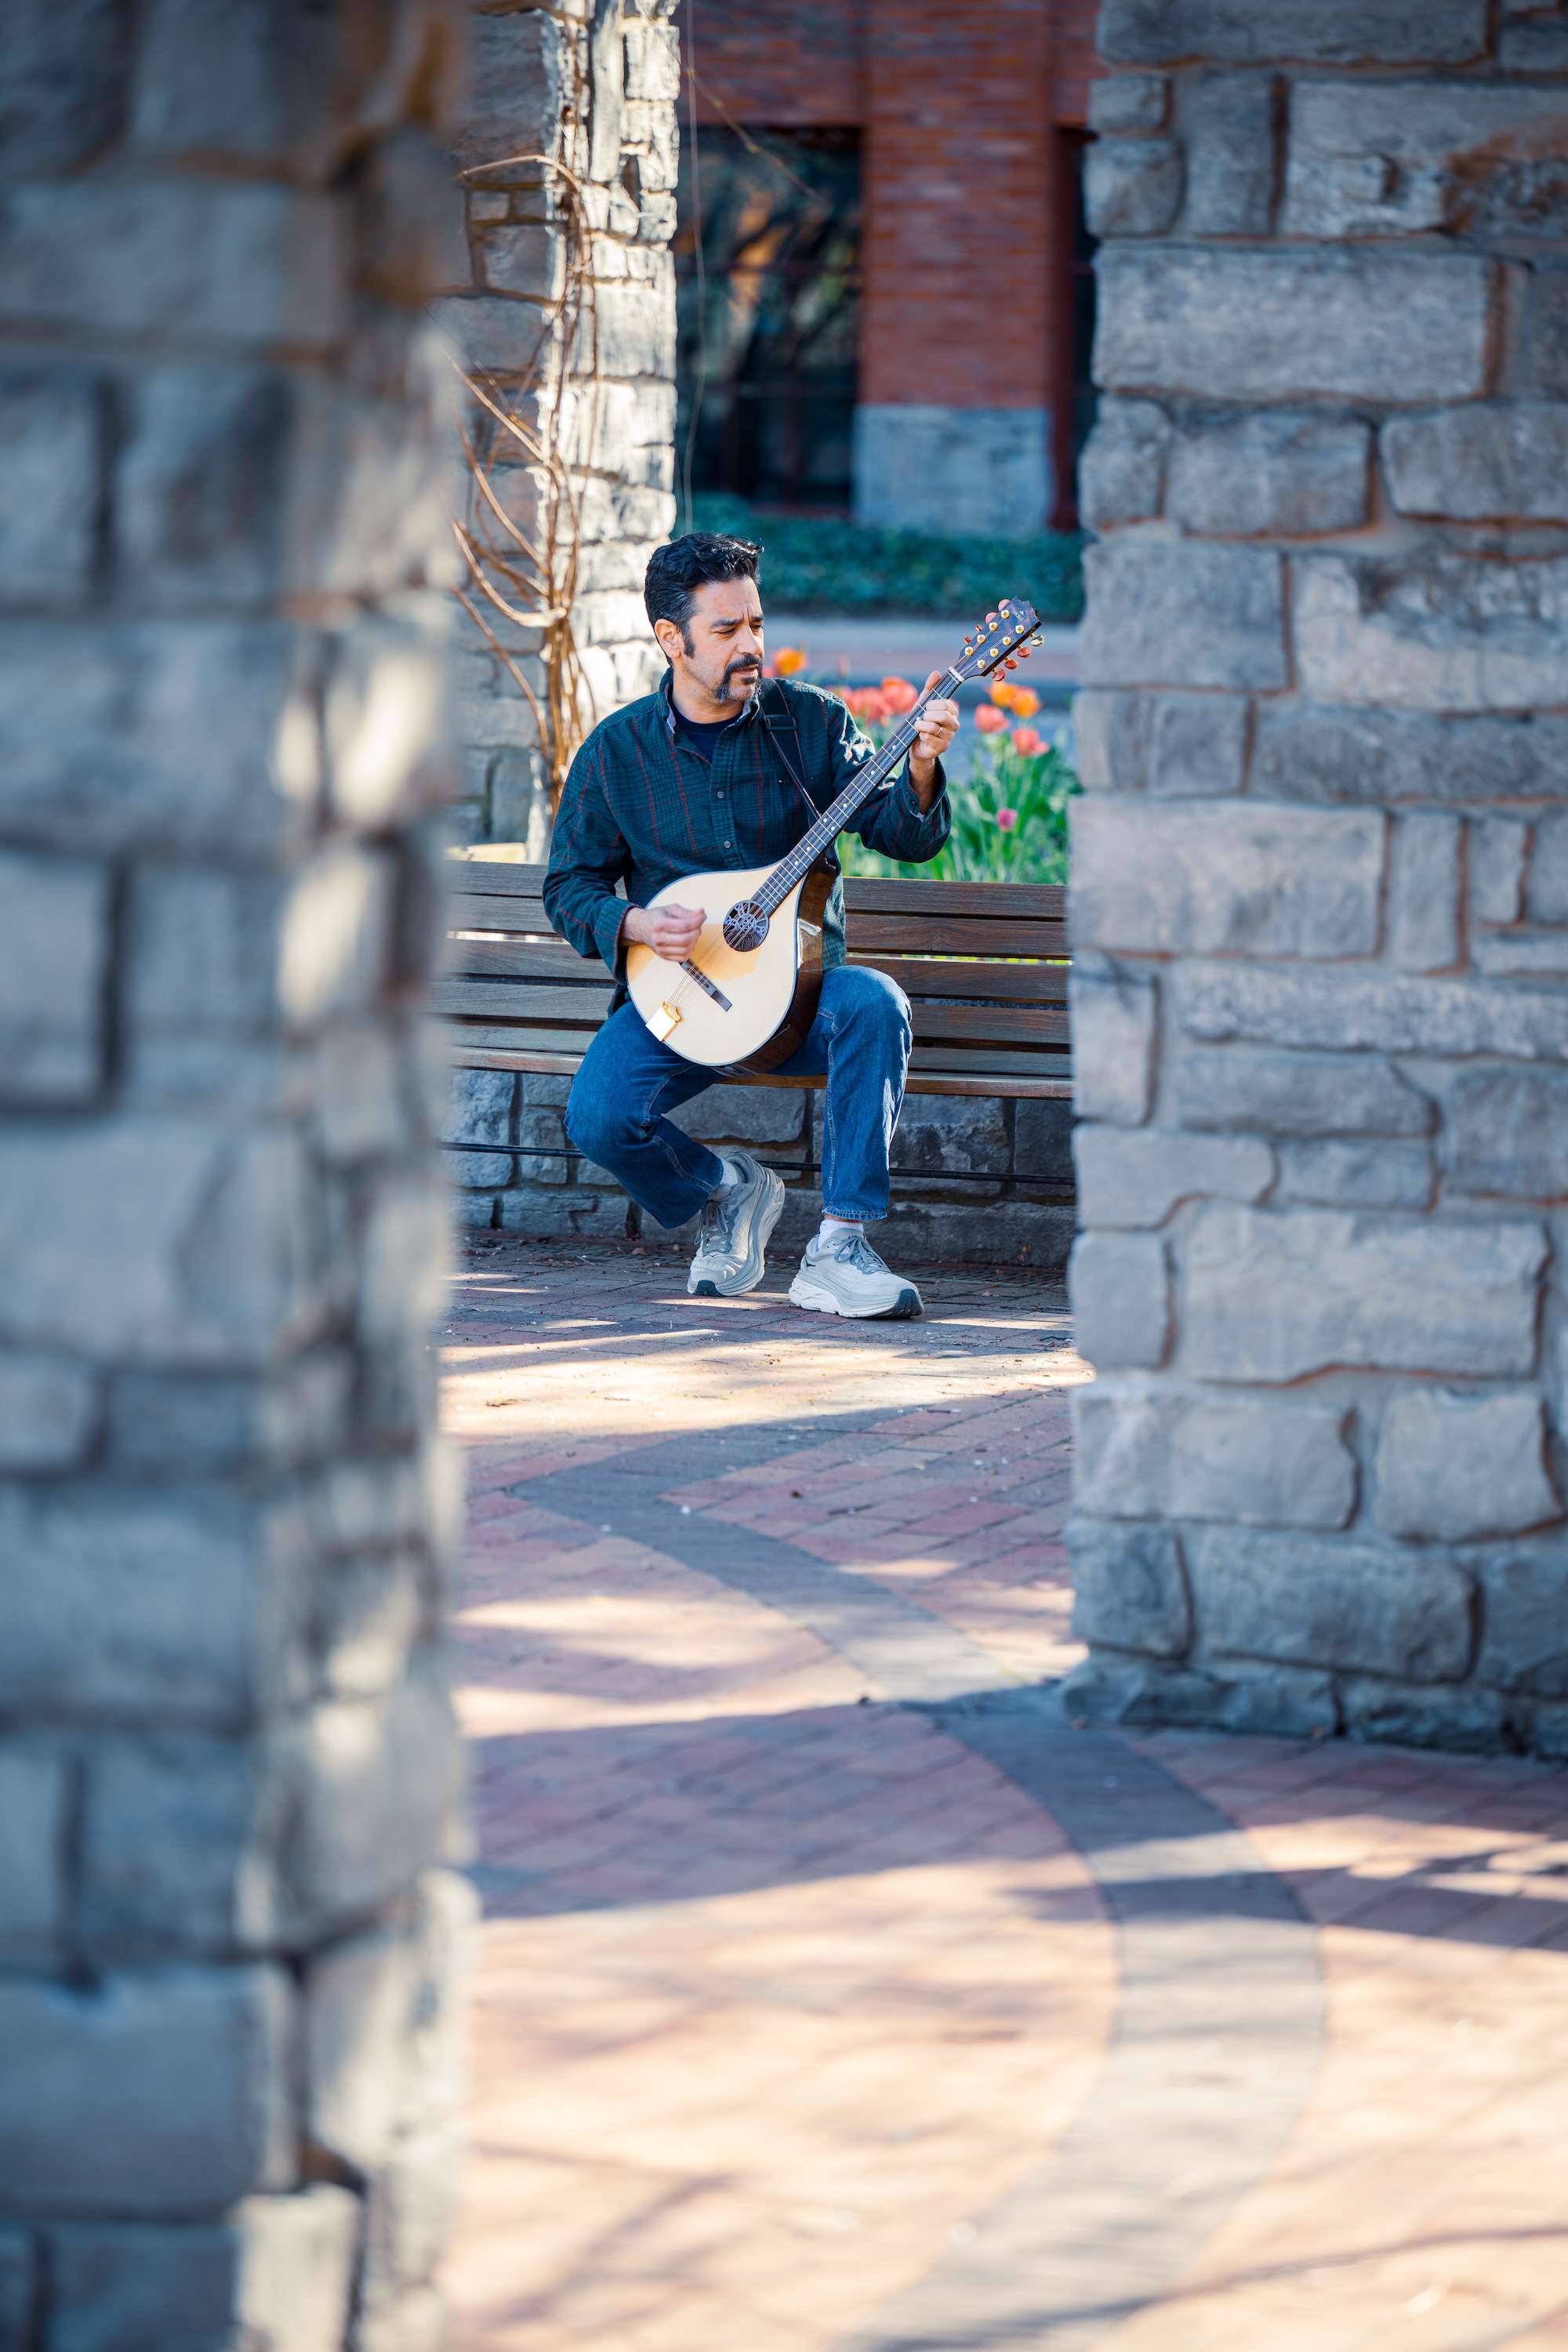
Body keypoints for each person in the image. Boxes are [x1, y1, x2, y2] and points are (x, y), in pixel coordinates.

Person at [543, 531, 960, 1319]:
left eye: (756, 625)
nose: (750, 646)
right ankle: (728, 1190)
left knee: (873, 1002)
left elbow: (907, 837)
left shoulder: (810, 725)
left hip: (797, 1003)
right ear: (671, 640)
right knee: (598, 1117)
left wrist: (922, 766)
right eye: (727, 631)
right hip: (681, 999)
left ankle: (839, 1247)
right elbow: (568, 885)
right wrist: (631, 922)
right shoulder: (616, 754)